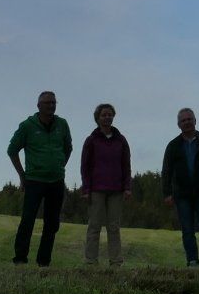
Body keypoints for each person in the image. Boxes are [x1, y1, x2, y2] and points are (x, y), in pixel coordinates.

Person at [7, 90, 71, 266]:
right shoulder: (27, 125)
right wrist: (22, 175)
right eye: (47, 103)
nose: (51, 105)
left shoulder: (62, 124)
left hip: (56, 181)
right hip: (34, 180)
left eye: (53, 103)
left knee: (52, 224)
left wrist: (59, 165)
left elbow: (68, 148)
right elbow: (12, 150)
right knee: (27, 220)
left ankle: (44, 262)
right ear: (39, 106)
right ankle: (20, 258)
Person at [161, 107, 199, 268]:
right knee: (187, 231)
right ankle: (192, 261)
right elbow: (166, 170)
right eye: (183, 120)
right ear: (178, 124)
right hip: (182, 195)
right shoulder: (173, 145)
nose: (186, 122)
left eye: (189, 119)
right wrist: (167, 193)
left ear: (195, 121)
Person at [79, 102, 131, 266]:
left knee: (114, 227)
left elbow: (126, 165)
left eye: (110, 114)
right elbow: (85, 166)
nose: (107, 117)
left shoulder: (121, 140)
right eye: (104, 114)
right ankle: (90, 261)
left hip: (116, 190)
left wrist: (127, 187)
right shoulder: (91, 140)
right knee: (94, 226)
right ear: (98, 118)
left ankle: (116, 262)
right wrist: (86, 188)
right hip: (96, 190)